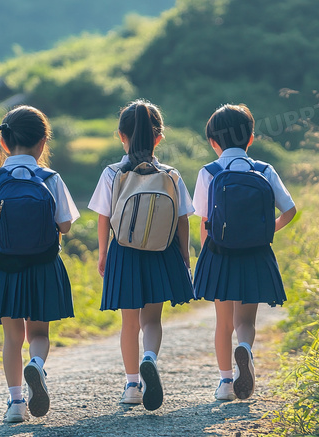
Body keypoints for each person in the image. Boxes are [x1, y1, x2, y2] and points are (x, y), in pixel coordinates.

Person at [0, 105, 80, 423]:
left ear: (3, 142)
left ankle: (16, 403)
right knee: (38, 334)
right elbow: (66, 225)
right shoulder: (50, 178)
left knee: (12, 338)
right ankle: (37, 366)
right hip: (43, 266)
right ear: (43, 142)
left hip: (4, 267)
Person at [88, 100, 195, 411]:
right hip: (162, 251)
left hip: (124, 251)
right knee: (152, 320)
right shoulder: (171, 174)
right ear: (158, 137)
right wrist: (184, 257)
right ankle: (150, 358)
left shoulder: (112, 173)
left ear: (121, 135)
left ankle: (132, 384)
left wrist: (103, 253)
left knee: (129, 323)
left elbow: (104, 217)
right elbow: (182, 219)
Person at [192, 104, 297, 401]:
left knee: (223, 323)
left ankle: (226, 382)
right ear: (251, 138)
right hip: (255, 253)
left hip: (219, 254)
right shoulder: (264, 170)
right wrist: (265, 231)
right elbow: (290, 210)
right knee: (246, 321)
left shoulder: (209, 172)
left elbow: (203, 219)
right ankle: (246, 351)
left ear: (214, 142)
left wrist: (206, 254)